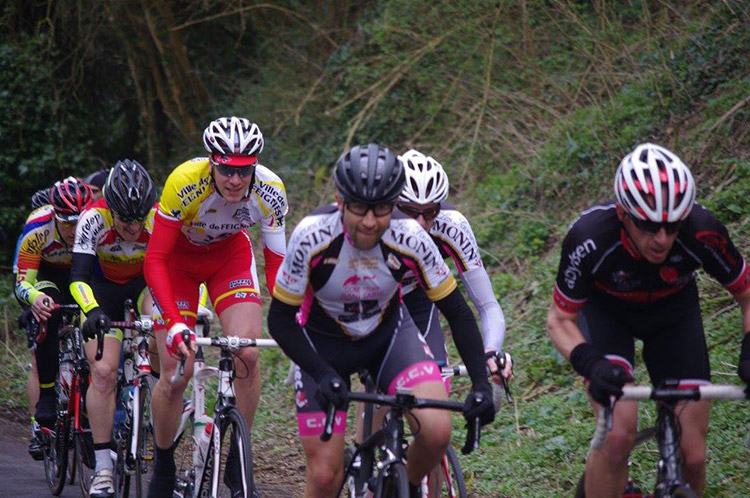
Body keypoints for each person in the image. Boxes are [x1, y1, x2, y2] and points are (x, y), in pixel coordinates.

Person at [267, 143, 495, 498]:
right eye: (359, 208)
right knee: (326, 476)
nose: (371, 221)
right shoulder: (311, 236)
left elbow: (458, 311)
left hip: (389, 339)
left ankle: (401, 486)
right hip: (323, 349)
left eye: (382, 209)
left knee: (436, 432)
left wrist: (481, 381)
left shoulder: (411, 236)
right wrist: (322, 372)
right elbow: (280, 319)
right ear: (340, 201)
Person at [546, 143, 750, 497]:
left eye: (673, 227)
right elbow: (559, 320)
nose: (662, 239)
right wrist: (591, 364)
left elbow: (747, 293)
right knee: (617, 435)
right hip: (608, 313)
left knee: (694, 455)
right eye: (650, 225)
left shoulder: (701, 230)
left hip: (673, 315)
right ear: (624, 214)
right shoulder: (590, 237)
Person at [144, 116, 288, 497]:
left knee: (248, 352)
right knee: (178, 367)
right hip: (178, 263)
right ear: (212, 161)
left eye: (244, 171)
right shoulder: (184, 182)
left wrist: (297, 314)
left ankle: (238, 457)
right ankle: (162, 464)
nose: (235, 180)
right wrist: (174, 323)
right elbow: (155, 259)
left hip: (229, 259)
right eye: (226, 170)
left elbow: (277, 268)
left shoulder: (271, 190)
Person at [70, 159, 158, 498]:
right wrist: (91, 310)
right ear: (111, 209)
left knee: (166, 331)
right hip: (102, 292)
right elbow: (77, 278)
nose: (134, 228)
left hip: (142, 286)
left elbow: (180, 272)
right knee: (104, 372)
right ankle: (104, 467)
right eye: (125, 219)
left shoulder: (158, 218)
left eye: (139, 220)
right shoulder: (93, 218)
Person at [397, 149, 512, 383]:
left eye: (429, 212)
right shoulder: (376, 224)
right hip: (376, 298)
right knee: (376, 387)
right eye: (409, 211)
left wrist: (490, 351)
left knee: (436, 386)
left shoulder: (451, 225)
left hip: (418, 296)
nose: (420, 222)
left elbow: (487, 305)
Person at [14, 178, 94, 441]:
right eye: (67, 223)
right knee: (49, 310)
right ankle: (48, 394)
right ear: (55, 215)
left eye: (78, 222)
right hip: (47, 274)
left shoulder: (97, 222)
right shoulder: (38, 227)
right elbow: (23, 282)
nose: (74, 230)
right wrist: (35, 298)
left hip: (81, 272)